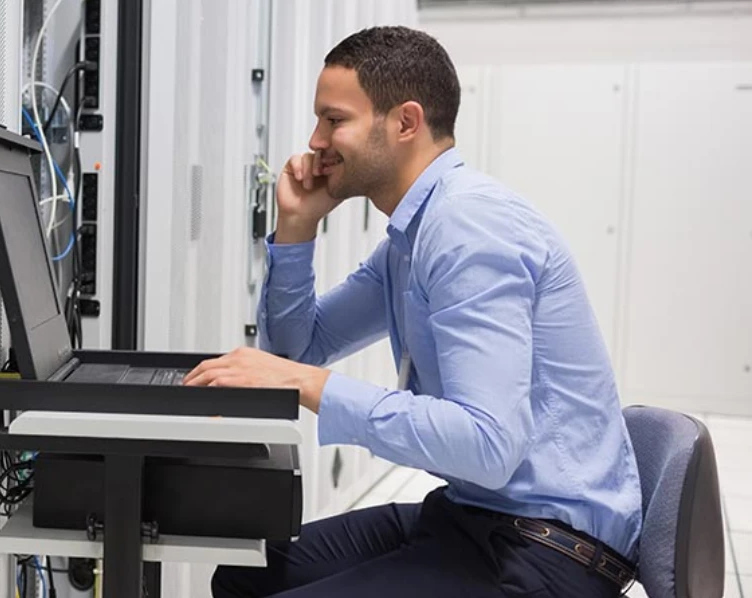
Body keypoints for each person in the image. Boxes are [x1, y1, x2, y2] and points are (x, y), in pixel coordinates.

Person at [183, 26, 642, 598]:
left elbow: (488, 445)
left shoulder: (466, 227)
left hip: (547, 552)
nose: (315, 139)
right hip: (475, 515)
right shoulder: (412, 237)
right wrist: (297, 229)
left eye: (334, 120)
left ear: (405, 122)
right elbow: (296, 348)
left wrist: (307, 383)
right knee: (245, 575)